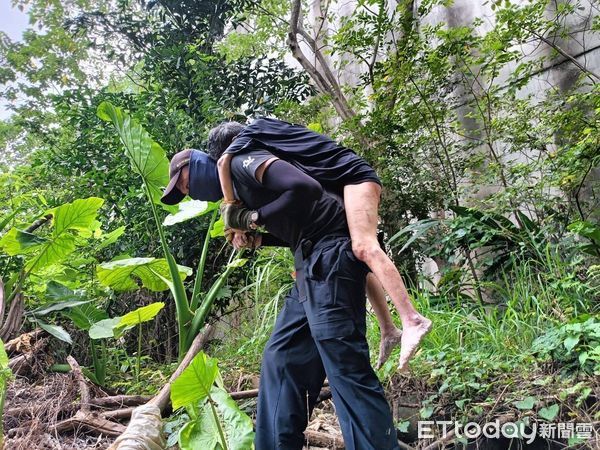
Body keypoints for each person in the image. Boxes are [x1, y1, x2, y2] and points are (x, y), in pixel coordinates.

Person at [161, 148, 401, 450]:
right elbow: (297, 226)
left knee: (346, 371)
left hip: (330, 257)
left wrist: (251, 219)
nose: (188, 192)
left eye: (184, 184)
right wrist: (257, 236)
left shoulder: (242, 164)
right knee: (282, 359)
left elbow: (307, 190)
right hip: (309, 265)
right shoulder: (241, 193)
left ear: (196, 165)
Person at [211, 118, 431, 371]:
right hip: (342, 182)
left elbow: (222, 162)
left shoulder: (243, 142)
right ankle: (389, 329)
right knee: (357, 255)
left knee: (363, 246)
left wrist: (241, 216)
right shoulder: (262, 137)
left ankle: (413, 319)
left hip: (355, 177)